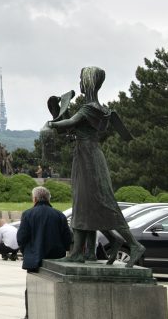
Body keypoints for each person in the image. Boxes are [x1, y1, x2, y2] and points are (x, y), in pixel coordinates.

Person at [46, 66, 146, 265]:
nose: (80, 83)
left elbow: (69, 123)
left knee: (95, 203)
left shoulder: (89, 108)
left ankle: (133, 245)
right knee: (86, 205)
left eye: (82, 79)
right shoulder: (99, 109)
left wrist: (52, 123)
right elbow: (73, 125)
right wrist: (57, 110)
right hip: (88, 155)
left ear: (89, 82)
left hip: (88, 158)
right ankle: (88, 253)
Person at [17, 186, 71, 319]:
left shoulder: (28, 214)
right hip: (56, 259)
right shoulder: (59, 215)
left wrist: (27, 252)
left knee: (31, 289)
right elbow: (67, 239)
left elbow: (21, 238)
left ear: (34, 199)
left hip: (34, 259)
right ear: (48, 198)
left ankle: (30, 314)